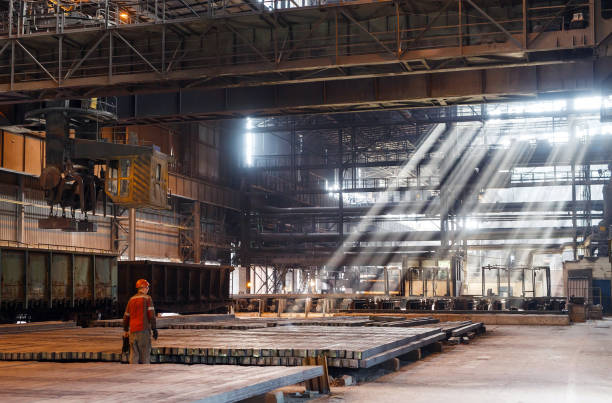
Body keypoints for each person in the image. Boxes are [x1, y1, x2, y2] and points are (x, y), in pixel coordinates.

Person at [123, 279, 158, 364]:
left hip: (133, 331)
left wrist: (126, 330)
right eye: (147, 287)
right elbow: (152, 316)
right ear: (143, 288)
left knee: (133, 356)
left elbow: (126, 316)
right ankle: (143, 374)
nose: (148, 289)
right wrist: (154, 329)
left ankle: (133, 375)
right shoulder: (147, 299)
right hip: (144, 331)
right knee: (145, 355)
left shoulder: (131, 300)